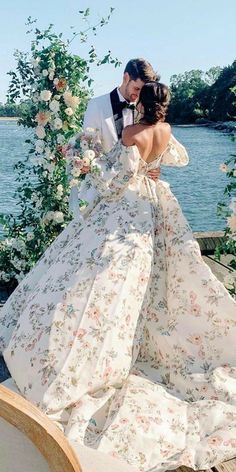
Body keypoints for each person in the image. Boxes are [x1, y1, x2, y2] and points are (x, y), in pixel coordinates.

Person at [0, 81, 236, 472]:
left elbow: (114, 180)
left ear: (141, 102)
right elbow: (179, 160)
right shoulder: (166, 131)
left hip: (125, 205)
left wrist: (90, 169)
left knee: (95, 278)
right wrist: (152, 166)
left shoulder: (131, 132)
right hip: (154, 205)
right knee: (146, 281)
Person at [84, 57, 160, 181]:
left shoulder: (145, 110)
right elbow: (88, 149)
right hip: (105, 188)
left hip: (138, 191)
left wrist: (154, 168)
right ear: (126, 77)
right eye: (137, 88)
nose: (139, 95)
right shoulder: (96, 105)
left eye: (143, 91)